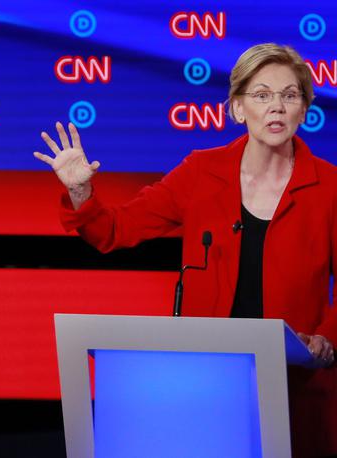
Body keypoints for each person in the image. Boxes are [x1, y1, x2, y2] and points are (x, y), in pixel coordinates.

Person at [35, 43, 337, 457]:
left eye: (290, 95)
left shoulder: (331, 187)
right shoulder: (201, 172)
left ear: (304, 110)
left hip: (295, 382)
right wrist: (79, 189)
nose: (277, 108)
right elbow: (115, 230)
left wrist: (326, 339)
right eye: (262, 95)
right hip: (208, 380)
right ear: (236, 108)